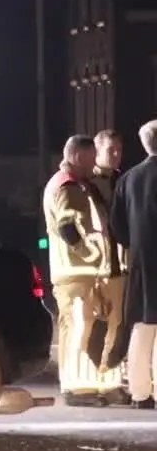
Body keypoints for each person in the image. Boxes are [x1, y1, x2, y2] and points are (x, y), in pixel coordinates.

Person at [44, 134, 121, 406]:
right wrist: (92, 254)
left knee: (85, 326)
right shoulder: (67, 186)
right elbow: (68, 228)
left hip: (83, 272)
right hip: (74, 271)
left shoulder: (79, 184)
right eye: (89, 160)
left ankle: (90, 385)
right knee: (78, 327)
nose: (92, 166)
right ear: (77, 156)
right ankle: (76, 388)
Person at [109, 120, 157, 410]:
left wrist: (133, 244)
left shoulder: (128, 178)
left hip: (140, 261)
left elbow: (116, 224)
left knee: (141, 326)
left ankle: (140, 393)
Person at [93, 129, 131, 380]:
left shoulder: (123, 179)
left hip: (122, 261)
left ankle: (114, 369)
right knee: (100, 322)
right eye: (111, 150)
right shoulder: (87, 183)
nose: (116, 155)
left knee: (120, 321)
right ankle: (102, 371)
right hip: (97, 264)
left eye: (119, 149)